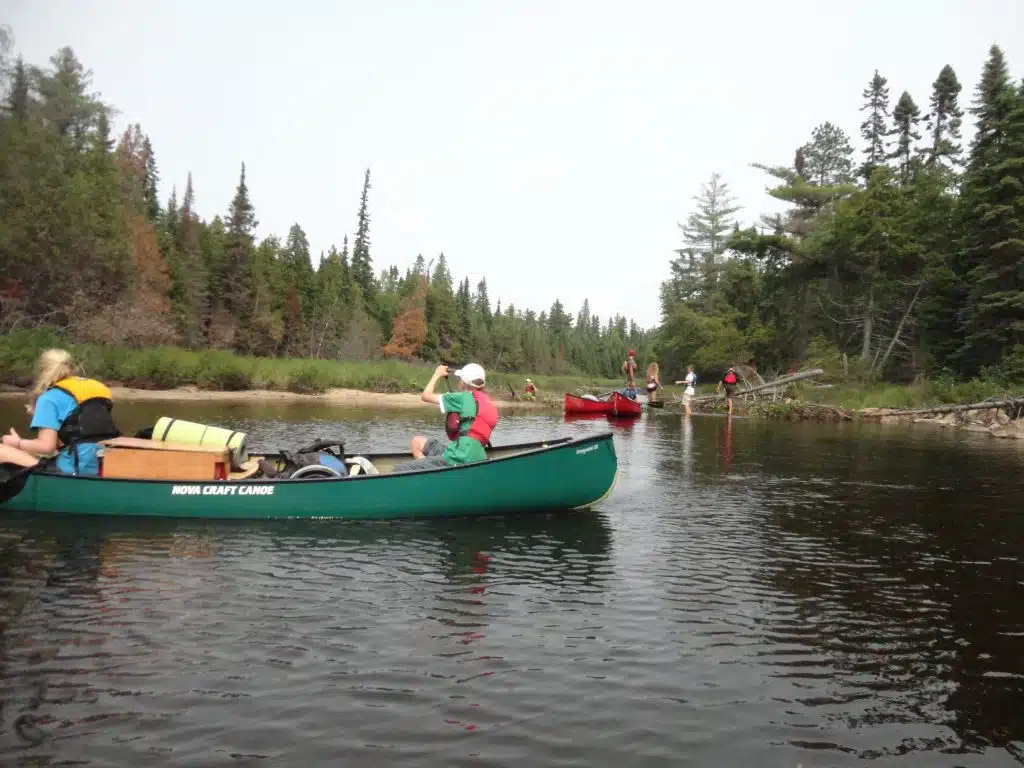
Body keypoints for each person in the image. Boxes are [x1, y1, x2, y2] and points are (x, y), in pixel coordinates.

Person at [0, 348, 119, 476]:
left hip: (73, 469)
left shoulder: (49, 398)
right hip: (104, 462)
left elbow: (46, 447)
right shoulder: (97, 389)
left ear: (42, 370)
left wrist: (17, 443)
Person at [393, 363, 499, 473]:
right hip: (477, 455)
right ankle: (429, 473)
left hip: (459, 457)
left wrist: (437, 374)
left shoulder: (462, 398)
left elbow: (425, 396)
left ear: (462, 383)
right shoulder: (489, 404)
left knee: (398, 469)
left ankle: (428, 474)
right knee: (417, 442)